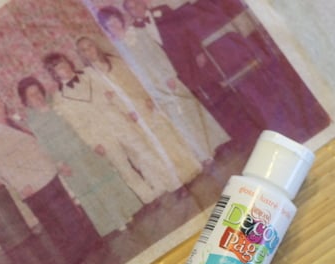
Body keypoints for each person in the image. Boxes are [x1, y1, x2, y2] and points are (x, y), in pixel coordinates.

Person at [137, 0, 330, 146]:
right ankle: (295, 138)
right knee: (262, 106)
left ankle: (307, 130)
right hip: (226, 71)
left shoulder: (185, 12)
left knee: (277, 94)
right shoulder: (164, 20)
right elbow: (182, 54)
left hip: (243, 56)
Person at [0, 91, 100, 264]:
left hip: (48, 173)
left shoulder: (16, 122)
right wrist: (21, 186)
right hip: (32, 185)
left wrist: (57, 164)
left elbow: (40, 145)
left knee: (69, 213)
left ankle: (89, 246)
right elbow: (0, 167)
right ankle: (74, 258)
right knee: (54, 223)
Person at [42, 51, 186, 201]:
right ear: (54, 73)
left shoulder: (90, 73)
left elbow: (112, 93)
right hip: (99, 133)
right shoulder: (60, 98)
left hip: (116, 119)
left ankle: (175, 185)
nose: (64, 67)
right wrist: (93, 143)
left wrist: (127, 110)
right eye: (58, 67)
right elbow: (78, 125)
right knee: (124, 168)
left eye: (64, 62)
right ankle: (149, 196)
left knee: (144, 152)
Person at [94, 6, 229, 165]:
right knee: (177, 122)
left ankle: (214, 143)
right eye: (109, 23)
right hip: (150, 88)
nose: (114, 24)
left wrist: (168, 76)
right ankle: (202, 154)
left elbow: (158, 54)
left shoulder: (137, 33)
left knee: (189, 113)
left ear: (120, 18)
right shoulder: (117, 48)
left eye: (114, 19)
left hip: (165, 79)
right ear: (105, 27)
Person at [17, 76, 144, 237]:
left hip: (84, 147)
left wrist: (93, 142)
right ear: (26, 101)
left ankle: (126, 212)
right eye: (31, 95)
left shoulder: (56, 103)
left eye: (37, 92)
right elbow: (44, 147)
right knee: (92, 190)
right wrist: (59, 164)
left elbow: (79, 122)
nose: (37, 97)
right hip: (68, 159)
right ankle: (116, 222)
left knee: (105, 180)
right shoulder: (33, 122)